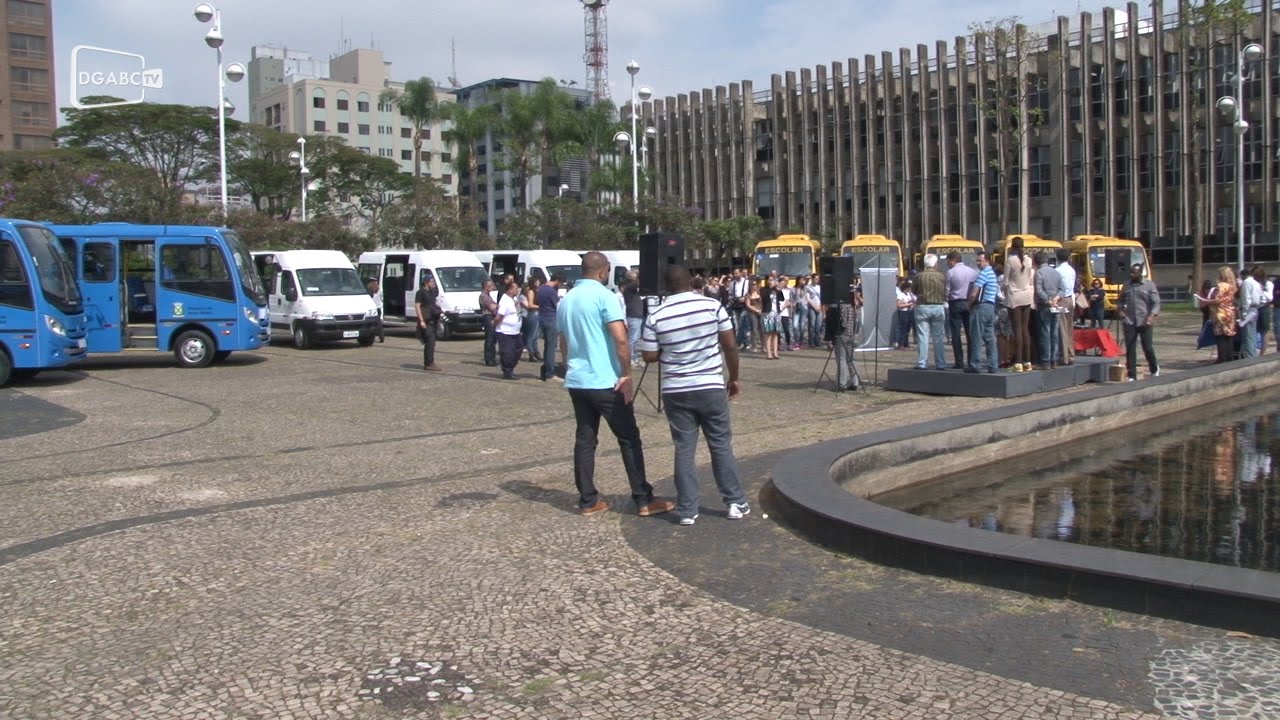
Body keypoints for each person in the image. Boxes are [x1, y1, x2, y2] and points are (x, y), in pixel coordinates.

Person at [557, 251, 674, 517]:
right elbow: (621, 338)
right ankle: (643, 498)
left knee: (585, 439)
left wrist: (569, 367)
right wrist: (626, 373)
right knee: (629, 438)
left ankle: (587, 499)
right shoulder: (604, 296)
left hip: (578, 379)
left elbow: (563, 341)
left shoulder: (567, 300)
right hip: (605, 380)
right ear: (602, 271)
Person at [638, 264, 749, 526]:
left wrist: (672, 352)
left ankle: (687, 509)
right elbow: (730, 344)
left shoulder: (657, 314)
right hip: (709, 384)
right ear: (691, 282)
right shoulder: (711, 306)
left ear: (666, 286)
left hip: (676, 389)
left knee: (684, 449)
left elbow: (649, 356)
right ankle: (734, 502)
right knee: (720, 445)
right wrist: (733, 377)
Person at [1116, 262, 1160, 381]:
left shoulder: (1149, 285)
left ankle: (1154, 368)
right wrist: (1121, 311)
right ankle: (1132, 375)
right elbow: (1120, 301)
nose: (1131, 275)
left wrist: (1151, 316)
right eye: (1130, 272)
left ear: (1140, 273)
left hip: (1145, 321)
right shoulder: (1127, 286)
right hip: (1130, 321)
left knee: (1148, 347)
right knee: (1130, 348)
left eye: (1134, 273)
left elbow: (1156, 302)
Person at [824, 280, 863, 391]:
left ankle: (841, 384)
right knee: (850, 359)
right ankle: (854, 382)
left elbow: (843, 322)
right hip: (851, 334)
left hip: (843, 334)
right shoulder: (853, 306)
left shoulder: (844, 306)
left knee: (841, 359)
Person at [1004, 237, 1034, 372]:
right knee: (1025, 329)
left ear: (1012, 247)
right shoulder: (1029, 260)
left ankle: (1018, 362)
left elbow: (1005, 282)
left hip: (1014, 296)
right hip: (1026, 295)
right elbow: (1029, 278)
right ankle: (1028, 362)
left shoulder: (1010, 261)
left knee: (1017, 330)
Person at [912, 253, 947, 370]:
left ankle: (922, 363)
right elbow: (945, 290)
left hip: (922, 306)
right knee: (938, 337)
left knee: (923, 336)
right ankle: (941, 363)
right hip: (938, 306)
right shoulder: (942, 276)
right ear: (936, 264)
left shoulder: (919, 276)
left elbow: (914, 291)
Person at [966, 252, 999, 374]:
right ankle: (993, 364)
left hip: (981, 307)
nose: (978, 263)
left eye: (980, 261)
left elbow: (975, 292)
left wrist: (969, 304)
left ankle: (975, 364)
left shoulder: (983, 274)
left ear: (987, 261)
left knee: (976, 337)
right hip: (990, 307)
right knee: (990, 338)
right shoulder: (992, 274)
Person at [945, 252, 976, 369]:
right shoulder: (972, 271)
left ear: (953, 260)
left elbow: (947, 290)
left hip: (955, 302)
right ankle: (971, 360)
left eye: (948, 261)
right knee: (970, 333)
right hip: (968, 302)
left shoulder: (950, 272)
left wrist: (947, 299)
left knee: (955, 333)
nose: (948, 263)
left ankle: (959, 361)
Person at [1032, 252, 1063, 370]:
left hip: (1044, 306)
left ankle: (1045, 361)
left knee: (1045, 333)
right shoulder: (1056, 272)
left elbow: (1039, 291)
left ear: (1036, 261)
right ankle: (1054, 360)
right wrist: (1056, 298)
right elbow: (1062, 289)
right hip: (1056, 304)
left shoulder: (1039, 273)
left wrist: (1049, 301)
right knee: (1054, 333)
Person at [1206, 265, 1238, 363]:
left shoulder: (1222, 285)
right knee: (1229, 335)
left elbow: (1218, 300)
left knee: (1220, 336)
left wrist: (1208, 301)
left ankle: (1222, 358)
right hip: (1230, 312)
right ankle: (1229, 357)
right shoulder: (1233, 286)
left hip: (1220, 312)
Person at [493, 279, 524, 379]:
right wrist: (494, 323)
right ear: (510, 290)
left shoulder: (513, 299)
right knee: (507, 352)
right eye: (515, 288)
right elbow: (500, 316)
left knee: (518, 349)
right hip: (505, 331)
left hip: (515, 331)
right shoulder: (505, 300)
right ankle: (507, 372)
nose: (517, 290)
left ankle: (511, 368)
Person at [537, 273, 563, 381]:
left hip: (542, 318)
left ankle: (546, 369)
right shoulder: (551, 291)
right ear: (557, 280)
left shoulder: (541, 289)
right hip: (551, 319)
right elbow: (558, 305)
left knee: (547, 346)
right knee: (551, 347)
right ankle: (550, 373)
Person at [414, 274, 442, 372]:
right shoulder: (420, 293)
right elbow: (417, 306)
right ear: (426, 282)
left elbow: (434, 304)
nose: (433, 283)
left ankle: (429, 362)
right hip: (425, 320)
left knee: (432, 342)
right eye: (432, 282)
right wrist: (421, 320)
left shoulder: (432, 292)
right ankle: (429, 363)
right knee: (430, 342)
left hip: (433, 319)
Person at [1055, 248, 1076, 365]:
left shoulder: (1057, 271)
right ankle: (1071, 354)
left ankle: (1064, 357)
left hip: (1061, 300)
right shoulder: (1072, 270)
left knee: (1062, 327)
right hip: (1070, 300)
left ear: (1057, 258)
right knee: (1069, 328)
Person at [1238, 264, 1265, 358]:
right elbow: (1263, 299)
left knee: (1247, 335)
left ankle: (1249, 356)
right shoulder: (1257, 283)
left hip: (1248, 309)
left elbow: (1246, 298)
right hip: (1255, 309)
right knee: (1252, 334)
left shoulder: (1247, 282)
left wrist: (1244, 312)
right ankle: (1252, 354)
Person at [620, 271, 645, 368]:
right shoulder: (629, 286)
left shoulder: (630, 287)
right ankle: (630, 359)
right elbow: (638, 283)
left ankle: (634, 358)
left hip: (636, 315)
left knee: (635, 339)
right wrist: (639, 274)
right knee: (632, 339)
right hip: (633, 316)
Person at [729, 268, 753, 350]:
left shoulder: (746, 282)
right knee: (739, 325)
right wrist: (733, 298)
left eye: (737, 273)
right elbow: (730, 294)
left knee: (742, 323)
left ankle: (740, 342)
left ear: (740, 273)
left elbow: (750, 293)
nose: (735, 275)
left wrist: (745, 298)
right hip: (736, 305)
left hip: (744, 304)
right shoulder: (732, 284)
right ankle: (744, 342)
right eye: (734, 274)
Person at [760, 276, 784, 359]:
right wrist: (771, 288)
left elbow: (782, 298)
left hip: (776, 313)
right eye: (770, 280)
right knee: (768, 333)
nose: (772, 281)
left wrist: (778, 288)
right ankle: (769, 353)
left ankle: (775, 353)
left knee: (775, 333)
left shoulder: (775, 289)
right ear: (766, 281)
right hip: (767, 313)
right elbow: (764, 297)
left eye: (773, 280)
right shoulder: (764, 289)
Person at [521, 276, 543, 363]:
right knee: (531, 336)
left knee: (535, 336)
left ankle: (536, 352)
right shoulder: (531, 291)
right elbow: (530, 305)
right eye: (537, 281)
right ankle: (531, 354)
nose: (539, 283)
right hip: (533, 313)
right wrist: (541, 307)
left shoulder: (537, 291)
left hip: (537, 314)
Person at [478, 279, 499, 367]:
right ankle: (489, 359)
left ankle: (492, 358)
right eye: (491, 286)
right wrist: (499, 305)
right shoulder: (483, 296)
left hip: (491, 316)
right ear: (486, 287)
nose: (492, 287)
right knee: (489, 338)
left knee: (493, 338)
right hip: (488, 317)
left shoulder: (488, 296)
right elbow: (492, 306)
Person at [1254, 266, 1272, 355]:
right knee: (1255, 330)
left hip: (1264, 308)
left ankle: (1263, 352)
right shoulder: (1253, 283)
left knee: (1264, 331)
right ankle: (1255, 350)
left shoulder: (1268, 284)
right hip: (1255, 308)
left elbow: (1270, 298)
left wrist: (1262, 290)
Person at [894, 277, 916, 349]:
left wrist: (911, 302)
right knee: (902, 328)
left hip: (909, 311)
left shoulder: (909, 294)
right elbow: (898, 305)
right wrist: (908, 304)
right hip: (903, 312)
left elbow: (912, 301)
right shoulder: (900, 295)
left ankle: (906, 344)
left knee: (908, 328)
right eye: (908, 288)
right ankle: (901, 344)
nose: (909, 290)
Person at [366, 278, 385, 343]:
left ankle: (372, 337)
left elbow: (370, 297)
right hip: (379, 308)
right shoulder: (380, 289)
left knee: (373, 324)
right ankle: (381, 337)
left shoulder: (370, 290)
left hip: (374, 308)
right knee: (379, 324)